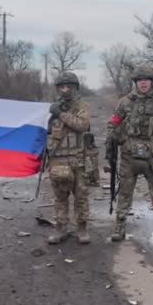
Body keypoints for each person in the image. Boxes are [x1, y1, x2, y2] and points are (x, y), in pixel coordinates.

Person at [105, 63, 153, 247]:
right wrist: (111, 147)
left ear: (152, 82)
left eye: (146, 80)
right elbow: (112, 124)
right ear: (135, 82)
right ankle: (119, 226)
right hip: (129, 157)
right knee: (124, 193)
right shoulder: (125, 103)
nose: (143, 84)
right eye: (140, 80)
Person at [45, 71, 94, 245]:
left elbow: (82, 125)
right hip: (57, 160)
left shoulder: (82, 106)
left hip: (78, 160)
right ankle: (60, 228)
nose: (65, 90)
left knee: (81, 195)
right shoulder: (52, 109)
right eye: (61, 87)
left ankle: (82, 228)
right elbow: (45, 133)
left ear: (75, 88)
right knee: (60, 197)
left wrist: (61, 114)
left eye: (69, 86)